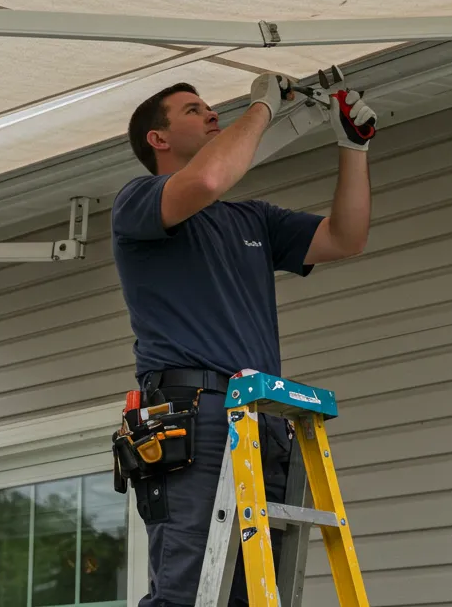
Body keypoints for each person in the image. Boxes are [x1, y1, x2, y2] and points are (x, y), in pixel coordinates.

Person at [111, 72, 377, 607]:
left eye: (211, 107)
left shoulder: (252, 218)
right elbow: (206, 183)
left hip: (260, 418)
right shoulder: (137, 202)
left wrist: (352, 149)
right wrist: (261, 109)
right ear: (157, 140)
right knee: (186, 592)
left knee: (254, 596)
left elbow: (345, 238)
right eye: (193, 110)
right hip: (189, 415)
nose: (212, 114)